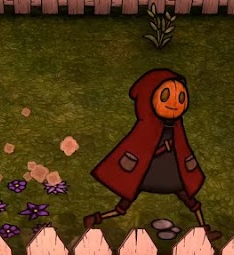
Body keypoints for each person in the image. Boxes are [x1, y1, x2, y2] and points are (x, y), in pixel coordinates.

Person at [84, 68, 221, 241]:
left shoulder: (176, 127)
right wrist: (163, 148)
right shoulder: (146, 127)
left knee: (189, 199)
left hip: (170, 171)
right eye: (166, 96)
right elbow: (142, 151)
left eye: (181, 98)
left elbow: (181, 148)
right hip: (146, 172)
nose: (175, 103)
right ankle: (96, 218)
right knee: (125, 204)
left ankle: (204, 230)